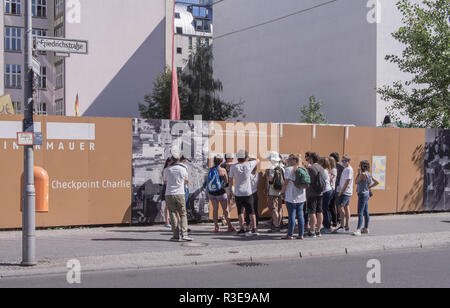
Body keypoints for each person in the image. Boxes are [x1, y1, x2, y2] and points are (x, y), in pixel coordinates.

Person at [229, 150, 260, 236]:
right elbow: (258, 160)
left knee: (240, 211)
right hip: (247, 192)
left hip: (238, 192)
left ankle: (242, 228)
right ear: (245, 158)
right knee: (251, 211)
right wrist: (249, 158)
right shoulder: (249, 164)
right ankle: (254, 228)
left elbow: (230, 180)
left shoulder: (233, 167)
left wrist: (230, 190)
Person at [163, 153, 193, 242]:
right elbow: (186, 181)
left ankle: (176, 235)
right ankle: (184, 234)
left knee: (172, 214)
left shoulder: (167, 170)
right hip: (180, 193)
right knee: (183, 214)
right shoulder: (183, 169)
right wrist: (179, 183)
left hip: (169, 193)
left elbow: (165, 182)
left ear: (171, 160)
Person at [280, 154, 307, 240]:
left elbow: (285, 183)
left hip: (291, 196)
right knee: (300, 215)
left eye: (289, 160)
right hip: (301, 196)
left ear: (294, 160)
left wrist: (282, 192)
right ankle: (301, 234)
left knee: (291, 215)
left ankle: (290, 234)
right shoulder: (303, 168)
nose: (288, 161)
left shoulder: (288, 170)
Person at [207, 154, 235, 233]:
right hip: (221, 193)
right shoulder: (223, 170)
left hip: (211, 193)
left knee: (215, 210)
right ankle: (229, 226)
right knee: (225, 209)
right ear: (221, 161)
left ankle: (216, 227)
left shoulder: (210, 169)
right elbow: (226, 182)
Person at [353, 160, 379, 236]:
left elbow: (356, 182)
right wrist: (369, 186)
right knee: (366, 212)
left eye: (360, 165)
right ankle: (366, 228)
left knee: (360, 213)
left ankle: (358, 230)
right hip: (366, 193)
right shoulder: (369, 174)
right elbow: (376, 182)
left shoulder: (362, 174)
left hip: (362, 195)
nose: (359, 166)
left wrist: (358, 173)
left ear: (362, 166)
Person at [306, 152, 326, 238]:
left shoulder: (311, 168)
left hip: (312, 193)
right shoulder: (321, 168)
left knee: (312, 212)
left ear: (312, 159)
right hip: (320, 192)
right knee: (319, 211)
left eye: (309, 158)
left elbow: (308, 181)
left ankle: (312, 230)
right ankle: (318, 230)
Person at [266, 151, 285, 233]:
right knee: (280, 208)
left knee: (274, 209)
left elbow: (270, 179)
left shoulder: (272, 168)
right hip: (281, 191)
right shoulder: (282, 168)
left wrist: (267, 178)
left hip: (273, 191)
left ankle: (276, 226)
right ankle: (279, 224)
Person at [334, 155, 354, 233]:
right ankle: (347, 225)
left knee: (340, 207)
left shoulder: (349, 169)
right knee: (346, 207)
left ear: (349, 161)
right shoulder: (346, 169)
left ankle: (342, 226)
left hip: (345, 191)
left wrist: (341, 191)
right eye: (342, 161)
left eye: (344, 161)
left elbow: (347, 181)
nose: (343, 162)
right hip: (345, 191)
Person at [319, 157, 334, 234]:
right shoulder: (326, 170)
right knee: (326, 209)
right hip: (328, 190)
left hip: (326, 191)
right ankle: (327, 225)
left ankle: (327, 226)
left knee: (325, 209)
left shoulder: (323, 171)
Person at [330, 152, 344, 229]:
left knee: (337, 204)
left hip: (338, 187)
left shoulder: (339, 167)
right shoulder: (339, 166)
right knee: (336, 204)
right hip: (337, 187)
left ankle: (338, 219)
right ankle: (337, 218)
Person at [221, 153, 236, 225]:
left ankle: (225, 217)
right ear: (228, 159)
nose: (233, 159)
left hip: (225, 186)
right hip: (228, 186)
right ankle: (224, 216)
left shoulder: (222, 165)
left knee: (228, 203)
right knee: (235, 201)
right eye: (232, 158)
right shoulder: (226, 165)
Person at [161, 158, 173, 228]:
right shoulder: (165, 170)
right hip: (167, 187)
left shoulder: (171, 169)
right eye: (170, 162)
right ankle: (167, 221)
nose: (171, 164)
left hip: (171, 187)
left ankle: (172, 220)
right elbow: (165, 181)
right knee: (167, 206)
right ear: (168, 162)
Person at [328, 156, 338, 228]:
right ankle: (333, 221)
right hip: (331, 189)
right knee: (330, 206)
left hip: (332, 189)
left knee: (331, 207)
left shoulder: (333, 170)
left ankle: (334, 222)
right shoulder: (331, 169)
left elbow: (330, 178)